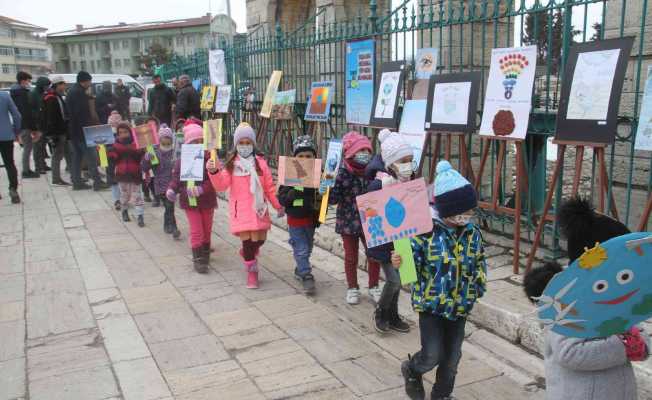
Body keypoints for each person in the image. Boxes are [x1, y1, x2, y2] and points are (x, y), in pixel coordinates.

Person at [523, 197, 646, 400]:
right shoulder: (567, 301)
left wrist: (640, 341)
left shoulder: (615, 294)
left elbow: (636, 325)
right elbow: (569, 353)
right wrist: (623, 345)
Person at [395, 160, 486, 400]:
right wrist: (400, 260)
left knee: (452, 357)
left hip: (460, 306)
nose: (466, 216)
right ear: (446, 210)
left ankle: (442, 395)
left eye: (469, 211)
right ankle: (412, 369)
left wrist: (478, 285)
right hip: (431, 306)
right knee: (432, 354)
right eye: (461, 212)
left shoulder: (472, 233)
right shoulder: (425, 233)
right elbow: (409, 268)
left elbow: (479, 260)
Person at [206, 122, 284, 288]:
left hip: (259, 209)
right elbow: (221, 185)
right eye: (241, 143)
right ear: (236, 145)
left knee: (260, 239)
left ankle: (247, 253)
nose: (244, 146)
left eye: (248, 143)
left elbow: (269, 188)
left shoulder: (260, 164)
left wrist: (278, 205)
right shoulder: (231, 165)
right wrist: (213, 172)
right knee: (248, 242)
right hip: (240, 210)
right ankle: (252, 272)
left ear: (253, 144)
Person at [365, 129, 413, 334]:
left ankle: (393, 316)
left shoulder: (408, 180)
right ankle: (381, 311)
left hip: (403, 239)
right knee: (394, 280)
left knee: (401, 280)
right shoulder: (378, 183)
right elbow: (369, 210)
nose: (408, 165)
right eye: (403, 160)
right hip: (386, 242)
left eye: (410, 160)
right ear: (391, 162)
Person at [326, 131, 381, 305]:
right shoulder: (342, 173)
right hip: (347, 222)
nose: (365, 154)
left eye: (367, 150)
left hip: (370, 220)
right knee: (351, 257)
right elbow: (333, 199)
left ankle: (374, 286)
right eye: (360, 150)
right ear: (350, 153)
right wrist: (327, 184)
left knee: (374, 255)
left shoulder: (372, 172)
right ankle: (352, 287)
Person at [167, 120, 217, 273]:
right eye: (194, 141)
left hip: (207, 200)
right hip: (190, 201)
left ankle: (206, 251)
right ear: (188, 143)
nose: (198, 144)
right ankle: (198, 258)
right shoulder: (182, 161)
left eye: (201, 141)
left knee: (207, 229)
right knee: (196, 230)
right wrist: (171, 190)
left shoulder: (210, 159)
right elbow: (176, 179)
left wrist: (202, 189)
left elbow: (214, 180)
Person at [277, 135, 321, 294]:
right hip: (295, 220)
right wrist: (295, 189)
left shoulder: (318, 173)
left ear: (314, 157)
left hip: (311, 219)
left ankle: (300, 267)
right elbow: (282, 198)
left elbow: (323, 196)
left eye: (308, 156)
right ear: (294, 158)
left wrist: (324, 190)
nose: (304, 159)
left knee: (308, 247)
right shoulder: (289, 174)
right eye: (300, 156)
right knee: (301, 248)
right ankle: (306, 274)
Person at [67, 71, 108, 191]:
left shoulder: (72, 91)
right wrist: (90, 127)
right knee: (91, 156)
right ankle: (97, 182)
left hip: (74, 130)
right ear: (84, 81)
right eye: (89, 81)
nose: (90, 84)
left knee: (77, 157)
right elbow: (82, 114)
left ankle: (76, 182)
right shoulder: (79, 93)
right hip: (82, 131)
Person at [143, 123, 180, 239]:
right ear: (160, 138)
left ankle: (167, 224)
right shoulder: (154, 151)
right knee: (169, 205)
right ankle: (173, 228)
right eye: (164, 137)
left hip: (172, 183)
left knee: (169, 206)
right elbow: (144, 168)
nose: (167, 139)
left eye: (169, 137)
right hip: (160, 183)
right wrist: (146, 159)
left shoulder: (175, 151)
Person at [108, 122, 146, 227]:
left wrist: (144, 151)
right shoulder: (115, 145)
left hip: (135, 173)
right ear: (118, 134)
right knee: (125, 195)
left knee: (137, 195)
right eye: (120, 132)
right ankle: (124, 211)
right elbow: (112, 160)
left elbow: (141, 158)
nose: (123, 134)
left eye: (125, 132)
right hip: (122, 174)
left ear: (130, 132)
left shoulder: (137, 143)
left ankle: (140, 216)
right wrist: (106, 152)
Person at [10, 71, 41, 178]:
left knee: (27, 148)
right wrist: (34, 128)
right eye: (28, 81)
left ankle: (26, 170)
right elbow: (26, 112)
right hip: (25, 124)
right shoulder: (22, 94)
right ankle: (26, 171)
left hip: (20, 124)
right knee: (28, 148)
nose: (29, 83)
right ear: (23, 81)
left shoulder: (14, 93)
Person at [43, 75, 70, 186]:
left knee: (67, 153)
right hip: (57, 132)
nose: (65, 86)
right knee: (57, 156)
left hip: (62, 130)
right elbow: (51, 117)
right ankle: (56, 178)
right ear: (58, 85)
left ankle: (72, 176)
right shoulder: (51, 98)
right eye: (63, 84)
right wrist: (53, 134)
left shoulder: (57, 96)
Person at [0, 89, 22, 203]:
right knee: (9, 163)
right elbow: (17, 115)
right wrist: (16, 131)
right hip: (6, 135)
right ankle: (13, 189)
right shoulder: (4, 96)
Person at [30, 76, 51, 174]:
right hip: (37, 123)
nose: (47, 88)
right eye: (46, 86)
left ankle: (43, 164)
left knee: (42, 146)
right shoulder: (33, 94)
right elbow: (32, 109)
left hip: (44, 123)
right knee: (37, 146)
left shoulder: (42, 93)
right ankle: (38, 166)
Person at [107, 111, 123, 209]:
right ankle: (117, 199)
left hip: (118, 161)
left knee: (116, 181)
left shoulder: (106, 133)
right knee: (115, 181)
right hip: (113, 161)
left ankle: (118, 199)